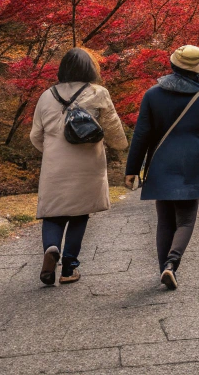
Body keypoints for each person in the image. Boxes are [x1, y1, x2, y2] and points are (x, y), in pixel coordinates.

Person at [125, 45, 199, 291]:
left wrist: (132, 169)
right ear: (198, 70)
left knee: (164, 220)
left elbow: (141, 135)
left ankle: (165, 268)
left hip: (160, 163)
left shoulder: (152, 95)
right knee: (186, 220)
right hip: (193, 163)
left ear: (173, 65)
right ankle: (172, 264)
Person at [29, 48, 130, 287]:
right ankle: (69, 268)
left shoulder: (46, 95)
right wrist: (121, 146)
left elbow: (35, 135)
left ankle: (51, 248)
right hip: (88, 165)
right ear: (90, 69)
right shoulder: (98, 93)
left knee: (52, 213)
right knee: (79, 214)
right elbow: (115, 134)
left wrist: (53, 152)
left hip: (55, 166)